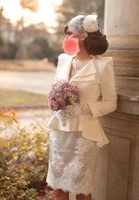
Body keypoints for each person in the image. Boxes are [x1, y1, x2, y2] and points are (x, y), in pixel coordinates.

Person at [46, 14, 117, 200]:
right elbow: (56, 90)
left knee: (83, 192)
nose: (66, 38)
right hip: (59, 133)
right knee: (58, 190)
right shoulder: (63, 60)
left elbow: (111, 102)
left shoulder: (102, 66)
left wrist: (82, 109)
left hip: (84, 136)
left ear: (83, 36)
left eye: (69, 33)